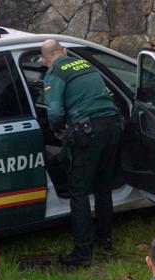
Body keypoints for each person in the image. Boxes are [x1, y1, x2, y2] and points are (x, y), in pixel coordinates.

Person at [41, 39, 122, 266]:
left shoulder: (55, 72)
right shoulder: (85, 65)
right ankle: (104, 237)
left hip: (88, 132)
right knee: (103, 186)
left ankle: (82, 252)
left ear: (45, 60)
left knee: (79, 191)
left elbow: (55, 111)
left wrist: (57, 130)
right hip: (113, 125)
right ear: (64, 51)